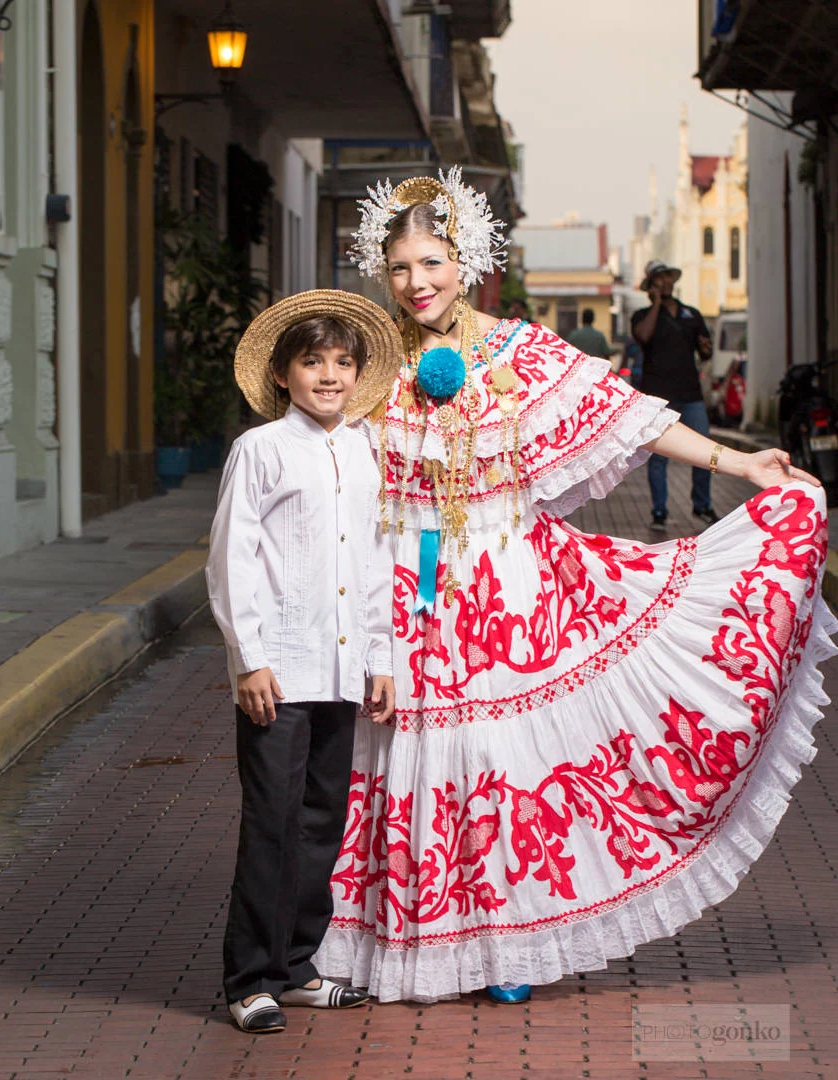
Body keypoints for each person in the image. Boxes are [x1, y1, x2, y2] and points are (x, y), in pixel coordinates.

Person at [313, 168, 836, 1006]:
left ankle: (513, 941)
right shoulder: (371, 365)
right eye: (401, 267)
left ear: (465, 261)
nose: (417, 283)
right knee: (414, 759)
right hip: (407, 595)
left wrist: (739, 462)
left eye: (432, 262)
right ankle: (415, 938)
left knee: (504, 762)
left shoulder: (522, 351)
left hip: (512, 589)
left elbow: (631, 416)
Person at [206, 290, 401, 1033]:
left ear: (357, 374)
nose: (329, 376)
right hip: (280, 671)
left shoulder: (365, 449)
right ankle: (249, 979)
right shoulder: (260, 449)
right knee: (272, 820)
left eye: (342, 363)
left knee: (322, 820)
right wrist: (248, 658)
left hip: (343, 669)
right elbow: (232, 559)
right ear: (282, 373)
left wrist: (380, 659)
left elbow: (378, 562)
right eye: (312, 362)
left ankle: (296, 967)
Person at [631, 259, 716, 531]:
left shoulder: (691, 314)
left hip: (690, 394)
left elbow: (705, 352)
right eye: (659, 278)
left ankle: (702, 505)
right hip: (658, 397)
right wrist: (656, 303)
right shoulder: (642, 316)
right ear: (650, 286)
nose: (665, 282)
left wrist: (706, 348)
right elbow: (643, 336)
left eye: (668, 277)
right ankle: (659, 510)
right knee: (658, 457)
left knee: (705, 449)